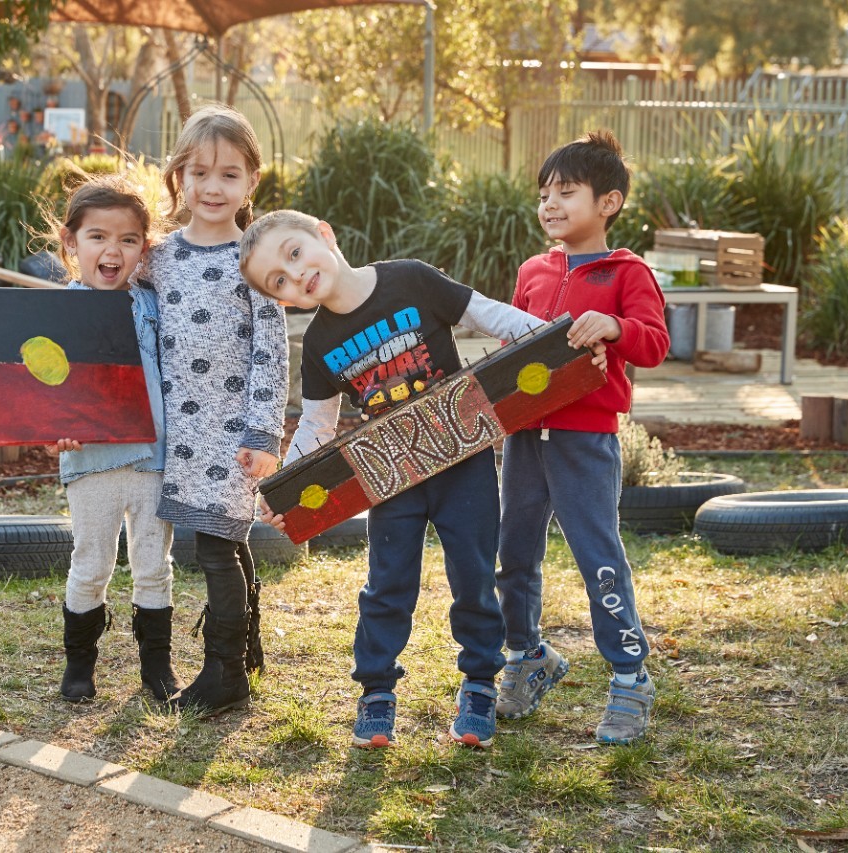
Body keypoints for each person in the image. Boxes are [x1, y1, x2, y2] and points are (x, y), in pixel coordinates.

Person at [240, 209, 603, 749]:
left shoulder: (410, 278)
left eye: (294, 255)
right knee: (387, 584)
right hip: (389, 476)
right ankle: (377, 692)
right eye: (281, 282)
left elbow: (487, 315)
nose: (296, 276)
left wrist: (557, 341)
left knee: (475, 577)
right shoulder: (318, 344)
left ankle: (479, 684)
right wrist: (288, 489)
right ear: (285, 302)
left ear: (323, 233)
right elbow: (317, 424)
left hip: (465, 463)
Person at [494, 129, 670, 745]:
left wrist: (615, 326)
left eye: (567, 192)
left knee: (599, 560)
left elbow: (653, 343)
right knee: (513, 555)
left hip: (585, 441)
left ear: (609, 203)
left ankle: (629, 678)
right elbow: (511, 344)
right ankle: (526, 658)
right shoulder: (532, 271)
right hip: (521, 440)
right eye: (545, 193)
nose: (550, 204)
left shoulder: (627, 271)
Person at [145, 104, 289, 714]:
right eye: (199, 172)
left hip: (232, 434)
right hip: (175, 430)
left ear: (251, 182)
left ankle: (223, 672)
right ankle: (248, 648)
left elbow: (272, 354)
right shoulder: (158, 257)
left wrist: (263, 431)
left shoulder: (258, 263)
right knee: (227, 543)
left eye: (228, 174)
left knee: (214, 547)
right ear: (178, 175)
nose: (211, 186)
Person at [41, 174, 181, 704]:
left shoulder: (152, 304)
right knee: (92, 562)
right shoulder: (57, 314)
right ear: (70, 242)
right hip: (91, 462)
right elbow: (42, 388)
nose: (112, 250)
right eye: (97, 236)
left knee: (152, 564)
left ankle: (156, 669)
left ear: (143, 249)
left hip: (154, 457)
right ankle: (79, 668)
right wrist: (50, 430)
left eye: (127, 239)